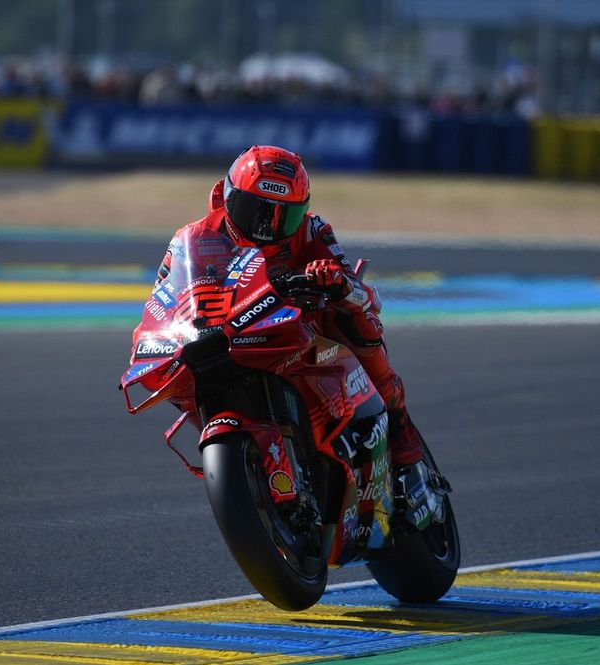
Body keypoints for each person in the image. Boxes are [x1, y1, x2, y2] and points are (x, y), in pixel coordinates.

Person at [154, 144, 427, 477]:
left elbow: (366, 297)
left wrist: (337, 283)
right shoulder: (193, 238)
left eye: (286, 215)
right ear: (230, 199)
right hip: (231, 337)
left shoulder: (311, 231)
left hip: (302, 331)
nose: (269, 227)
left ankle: (402, 435)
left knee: (361, 322)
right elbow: (163, 299)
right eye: (258, 211)